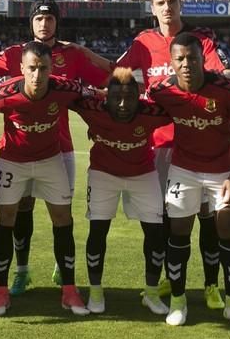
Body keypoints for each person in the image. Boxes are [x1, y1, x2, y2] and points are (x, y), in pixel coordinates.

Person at [77, 0, 228, 308]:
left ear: (180, 2)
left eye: (172, 0)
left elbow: (221, 74)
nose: (167, 7)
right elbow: (117, 75)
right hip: (160, 145)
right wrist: (84, 58)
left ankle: (211, 285)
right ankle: (166, 281)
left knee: (206, 215)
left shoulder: (200, 40)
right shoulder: (143, 42)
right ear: (153, 7)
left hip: (197, 139)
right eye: (160, 2)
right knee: (166, 218)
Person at [0, 0, 108, 295]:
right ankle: (22, 270)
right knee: (22, 209)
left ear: (57, 22)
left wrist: (88, 54)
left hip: (61, 147)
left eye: (49, 18)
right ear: (31, 23)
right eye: (39, 19)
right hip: (19, 148)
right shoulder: (15, 54)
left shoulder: (73, 53)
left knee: (61, 213)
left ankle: (63, 267)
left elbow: (104, 81)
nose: (44, 24)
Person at [0, 41, 89, 316]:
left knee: (63, 219)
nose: (37, 75)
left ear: (52, 68)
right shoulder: (5, 92)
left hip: (51, 162)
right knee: (6, 219)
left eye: (43, 68)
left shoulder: (64, 88)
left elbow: (93, 101)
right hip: (13, 163)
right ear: (21, 68)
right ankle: (1, 292)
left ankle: (69, 291)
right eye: (32, 68)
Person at [148, 33, 230, 328]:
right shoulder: (162, 90)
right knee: (179, 230)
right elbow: (136, 114)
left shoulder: (227, 89)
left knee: (228, 225)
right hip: (184, 170)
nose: (186, 64)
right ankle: (178, 302)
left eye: (192, 58)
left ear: (202, 59)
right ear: (171, 62)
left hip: (222, 170)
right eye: (179, 59)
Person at [68, 67, 171, 315]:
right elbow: (64, 92)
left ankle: (151, 293)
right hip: (103, 175)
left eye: (129, 98)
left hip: (143, 175)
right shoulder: (93, 108)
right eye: (116, 98)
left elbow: (181, 103)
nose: (123, 104)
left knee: (155, 234)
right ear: (106, 96)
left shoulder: (152, 112)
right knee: (98, 231)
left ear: (140, 97)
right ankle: (95, 292)